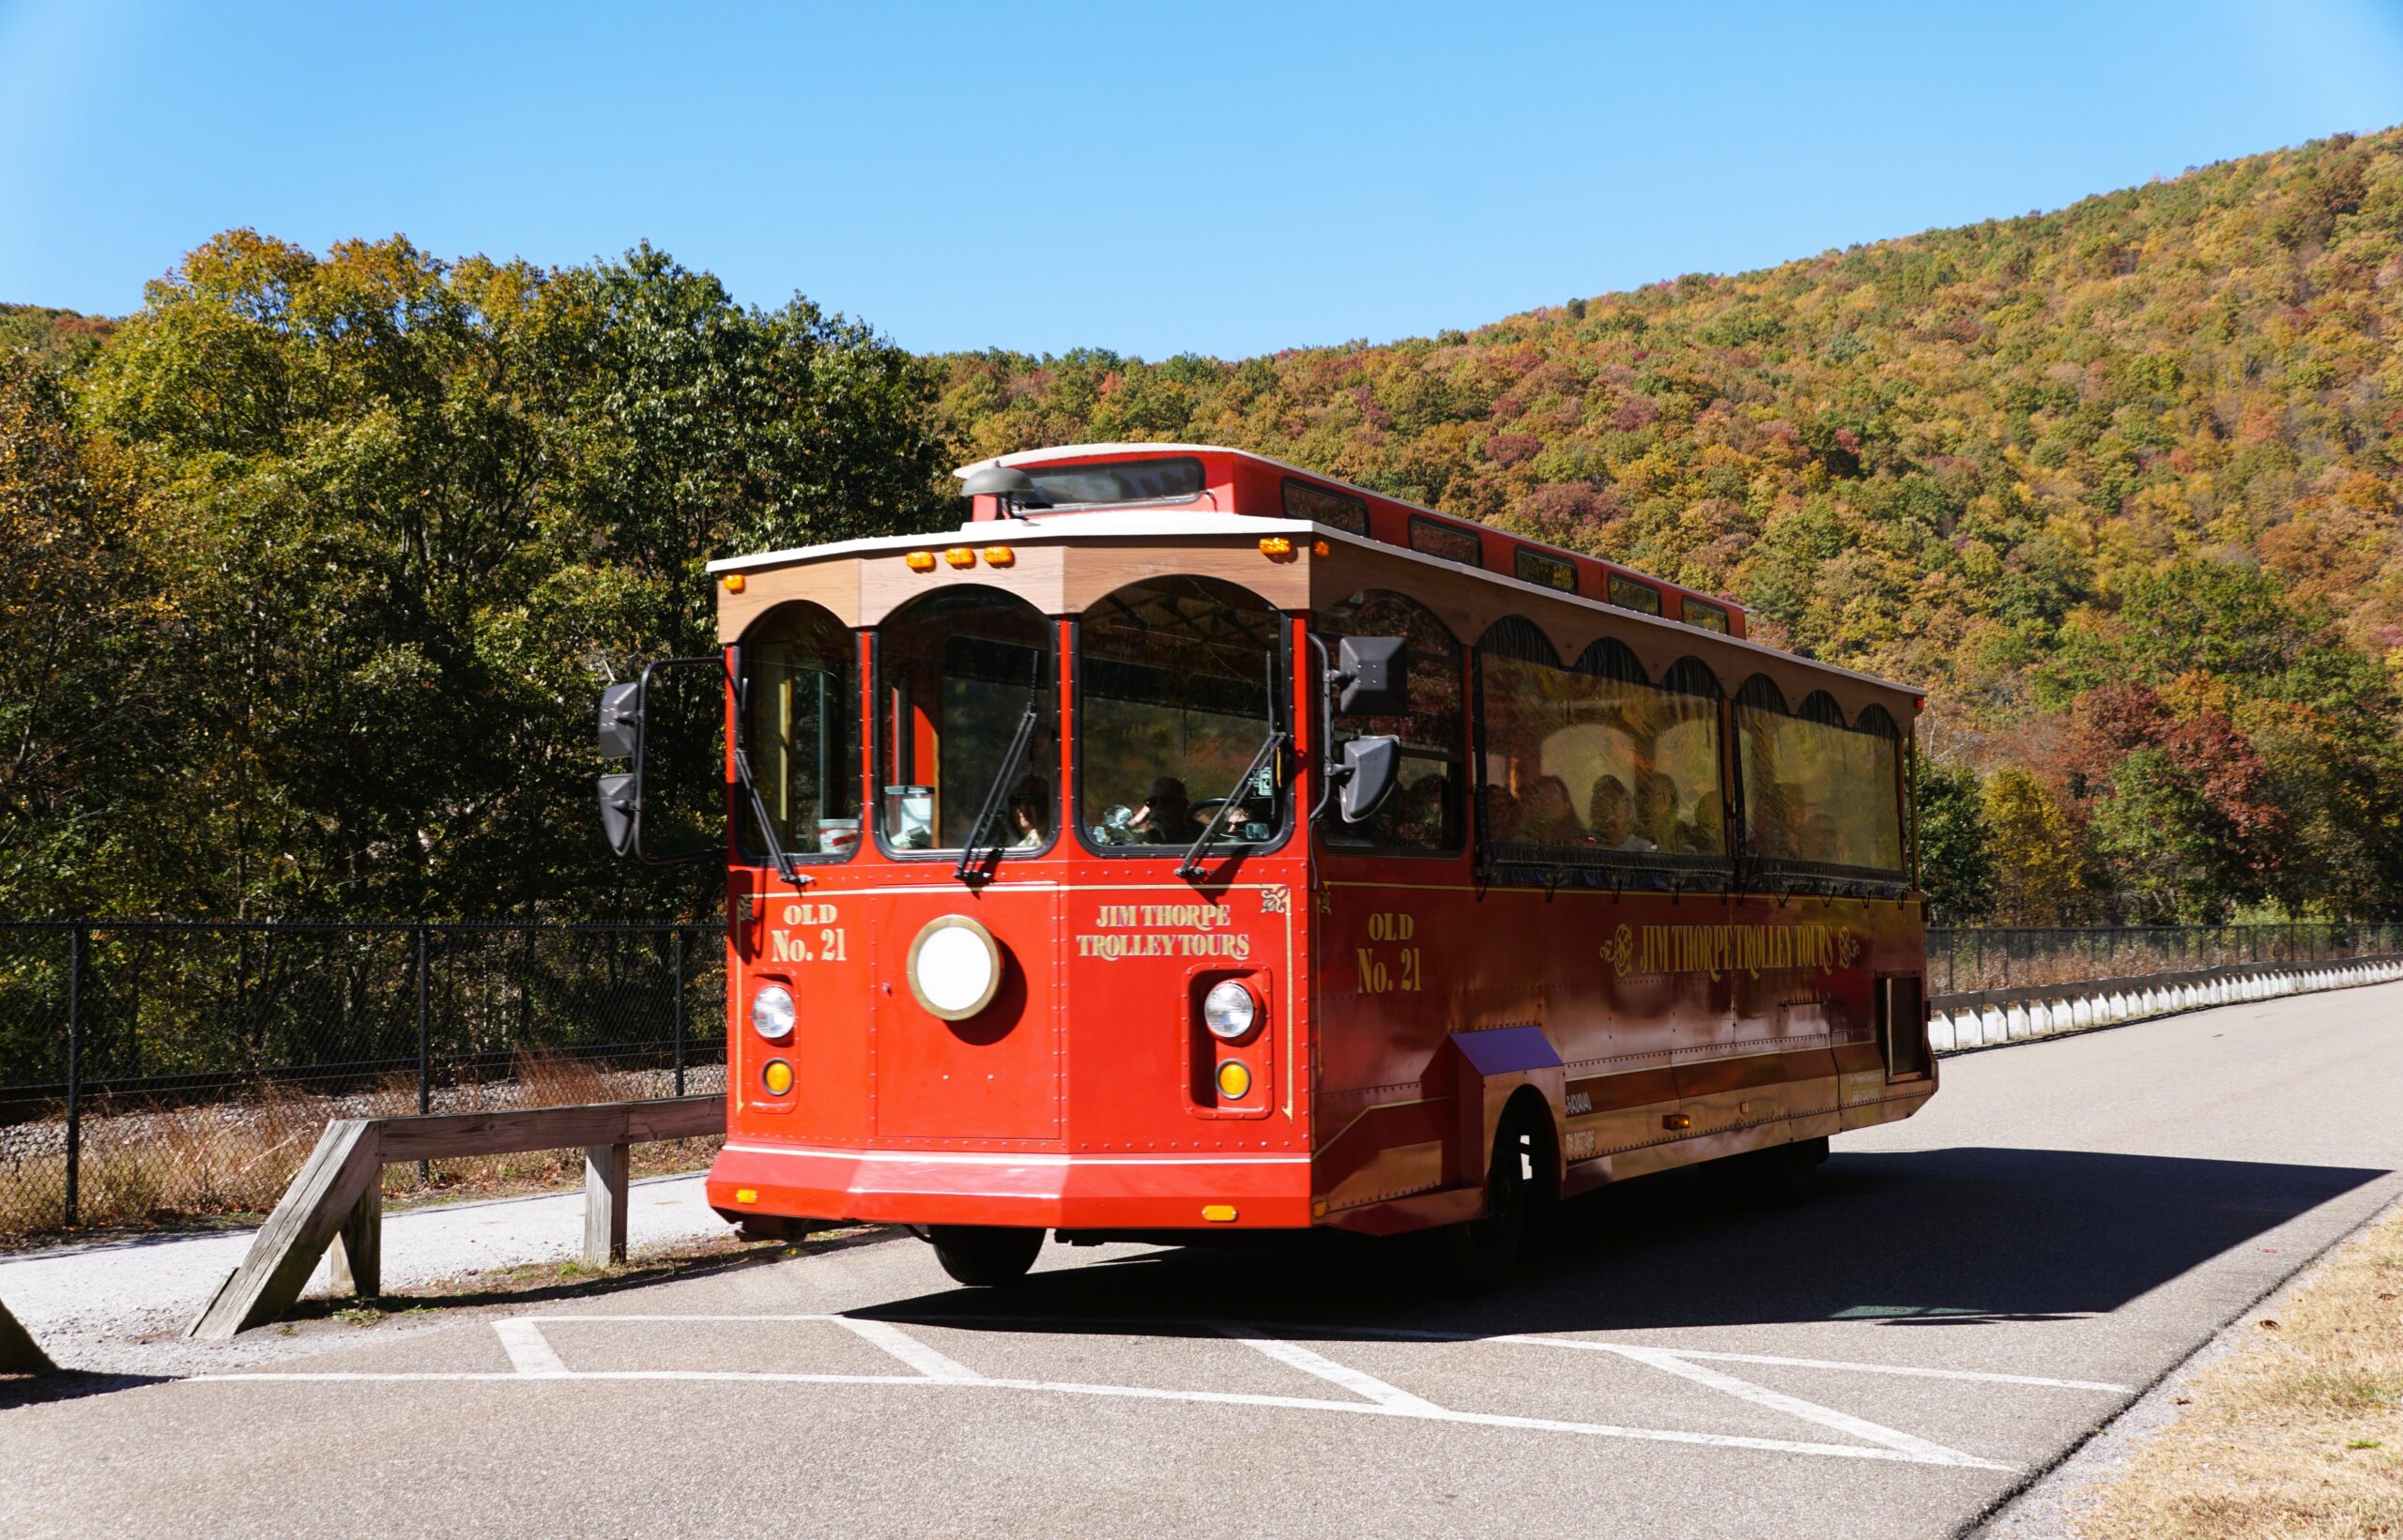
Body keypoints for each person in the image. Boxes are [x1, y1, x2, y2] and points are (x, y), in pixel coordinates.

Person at [1521, 775, 1584, 846]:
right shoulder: (1522, 841)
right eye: (1540, 797)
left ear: (1567, 806)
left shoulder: (1581, 842)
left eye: (1553, 797)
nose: (1546, 802)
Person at [1131, 776, 1189, 844]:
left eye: (1166, 801)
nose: (1158, 807)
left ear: (1183, 804)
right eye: (1152, 801)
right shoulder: (1144, 841)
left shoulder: (1201, 839)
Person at [1587, 774, 1635, 847]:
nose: (1608, 808)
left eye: (1614, 802)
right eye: (1602, 802)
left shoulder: (1642, 847)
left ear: (1627, 809)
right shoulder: (1588, 844)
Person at [1007, 775, 1049, 848]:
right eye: (1017, 799)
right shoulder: (1004, 838)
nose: (1023, 806)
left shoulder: (1048, 843)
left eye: (1031, 799)